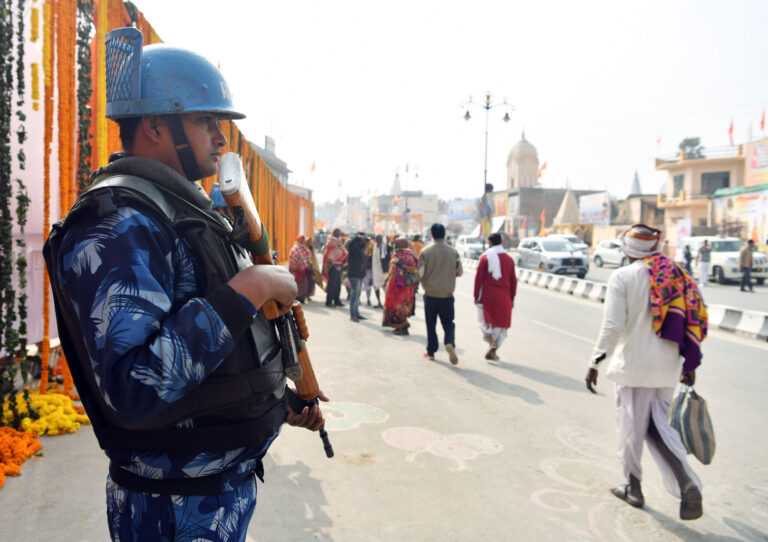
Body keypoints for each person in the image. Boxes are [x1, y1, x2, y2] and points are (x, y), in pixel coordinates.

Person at [43, 29, 327, 541]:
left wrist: (272, 400)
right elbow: (135, 389)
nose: (221, 137)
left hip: (213, 493)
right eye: (205, 121)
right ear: (155, 125)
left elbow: (205, 358)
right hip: (171, 508)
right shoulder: (118, 224)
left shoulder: (178, 210)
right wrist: (251, 288)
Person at [585, 224, 706, 521]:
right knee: (656, 426)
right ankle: (686, 481)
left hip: (635, 366)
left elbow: (612, 325)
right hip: (668, 366)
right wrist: (688, 364)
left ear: (627, 249)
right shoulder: (677, 273)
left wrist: (594, 362)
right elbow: (694, 317)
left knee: (630, 429)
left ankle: (634, 488)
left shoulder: (623, 276)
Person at [417, 223, 462, 364]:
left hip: (430, 294)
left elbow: (420, 273)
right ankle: (449, 342)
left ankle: (431, 352)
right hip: (447, 295)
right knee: (448, 323)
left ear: (432, 235)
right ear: (444, 234)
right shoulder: (453, 251)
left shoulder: (425, 251)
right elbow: (459, 272)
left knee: (431, 324)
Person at [473, 233, 517, 361]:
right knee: (501, 326)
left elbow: (478, 279)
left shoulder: (485, 258)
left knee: (483, 322)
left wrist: (476, 295)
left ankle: (491, 343)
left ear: (490, 243)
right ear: (501, 243)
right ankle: (494, 348)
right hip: (504, 297)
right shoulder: (509, 260)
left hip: (487, 296)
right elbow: (513, 281)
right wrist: (512, 298)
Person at [382, 238, 418, 335]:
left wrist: (403, 265)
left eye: (396, 243)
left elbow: (414, 269)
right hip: (394, 283)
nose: (394, 245)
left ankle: (404, 328)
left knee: (400, 306)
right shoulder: (396, 253)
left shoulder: (409, 255)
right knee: (393, 305)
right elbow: (392, 269)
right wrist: (386, 280)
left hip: (403, 285)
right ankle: (398, 326)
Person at [346, 232, 369, 322]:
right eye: (363, 239)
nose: (364, 241)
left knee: (357, 295)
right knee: (354, 295)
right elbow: (351, 243)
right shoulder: (353, 246)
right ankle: (353, 315)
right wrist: (357, 237)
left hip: (359, 274)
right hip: (354, 274)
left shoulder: (360, 248)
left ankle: (356, 313)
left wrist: (365, 242)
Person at [323, 228, 347, 307]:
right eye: (337, 231)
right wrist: (334, 263)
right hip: (332, 265)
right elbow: (329, 253)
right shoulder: (331, 240)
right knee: (332, 284)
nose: (338, 233)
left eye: (339, 232)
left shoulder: (339, 240)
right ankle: (329, 301)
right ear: (333, 232)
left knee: (338, 284)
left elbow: (342, 250)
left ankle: (337, 300)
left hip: (339, 264)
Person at [289, 235, 314, 303]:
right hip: (297, 270)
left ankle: (302, 298)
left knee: (304, 285)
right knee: (299, 286)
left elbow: (306, 258)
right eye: (302, 239)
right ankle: (297, 298)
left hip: (303, 270)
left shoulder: (302, 248)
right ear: (299, 240)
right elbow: (296, 259)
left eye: (304, 239)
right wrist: (302, 266)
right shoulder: (296, 248)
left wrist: (308, 264)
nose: (303, 241)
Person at [370, 234, 387, 308]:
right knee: (376, 287)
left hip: (384, 271)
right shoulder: (374, 246)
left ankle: (386, 303)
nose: (378, 241)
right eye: (376, 239)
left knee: (386, 288)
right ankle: (379, 302)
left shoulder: (386, 247)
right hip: (375, 270)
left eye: (379, 239)